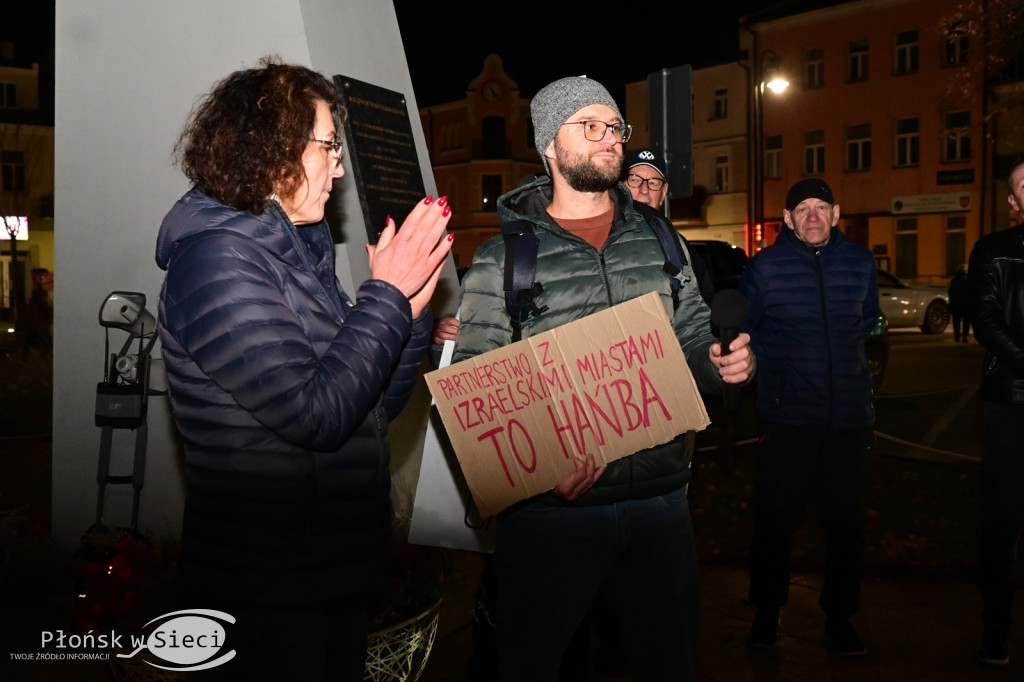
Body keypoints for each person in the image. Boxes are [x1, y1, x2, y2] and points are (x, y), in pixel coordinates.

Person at [154, 57, 452, 682]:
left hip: (324, 569)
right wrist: (385, 297)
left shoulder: (296, 253)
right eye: (328, 146)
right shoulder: (217, 263)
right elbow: (315, 415)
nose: (339, 167)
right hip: (265, 581)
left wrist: (411, 314)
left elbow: (366, 409)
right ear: (273, 147)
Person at [453, 75, 754, 682]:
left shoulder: (662, 238)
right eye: (587, 125)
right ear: (548, 145)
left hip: (660, 507)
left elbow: (692, 334)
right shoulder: (503, 259)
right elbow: (477, 387)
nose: (607, 137)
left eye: (614, 126)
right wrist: (544, 464)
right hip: (551, 521)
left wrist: (720, 366)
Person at [738, 178, 879, 656]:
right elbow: (748, 333)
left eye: (822, 207)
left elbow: (869, 323)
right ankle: (766, 612)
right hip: (787, 419)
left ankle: (840, 618)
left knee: (846, 527)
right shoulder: (763, 268)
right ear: (788, 217)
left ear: (837, 214)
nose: (813, 216)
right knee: (775, 523)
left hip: (849, 421)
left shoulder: (861, 263)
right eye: (804, 209)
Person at [968, 158, 1024, 666]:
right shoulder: (994, 251)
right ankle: (996, 631)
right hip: (1012, 404)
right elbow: (985, 319)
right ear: (1013, 202)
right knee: (1003, 524)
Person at [623, 148, 714, 304]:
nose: (644, 190)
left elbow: (701, 304)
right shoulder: (600, 237)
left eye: (653, 182)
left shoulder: (679, 247)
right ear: (620, 187)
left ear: (663, 193)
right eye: (635, 179)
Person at [948, 263, 970, 343]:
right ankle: (965, 335)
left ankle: (957, 336)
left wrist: (952, 302)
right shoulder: (968, 279)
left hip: (956, 303)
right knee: (966, 321)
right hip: (966, 303)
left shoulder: (954, 279)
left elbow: (950, 291)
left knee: (956, 320)